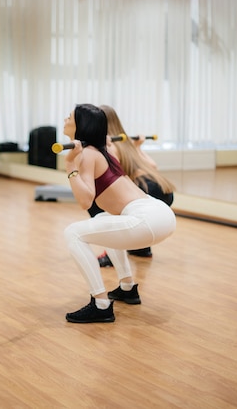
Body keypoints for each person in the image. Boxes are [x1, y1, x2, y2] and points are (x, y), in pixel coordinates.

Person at [62, 104, 176, 323]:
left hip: (147, 218)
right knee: (104, 219)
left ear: (81, 125)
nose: (65, 119)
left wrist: (69, 165)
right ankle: (127, 287)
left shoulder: (87, 154)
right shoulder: (103, 150)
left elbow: (85, 201)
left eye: (70, 117)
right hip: (159, 214)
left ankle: (101, 304)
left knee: (73, 233)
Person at [88, 105, 176, 267]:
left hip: (149, 191)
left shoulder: (109, 145)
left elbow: (112, 178)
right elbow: (152, 165)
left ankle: (111, 254)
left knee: (99, 201)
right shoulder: (125, 142)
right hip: (163, 191)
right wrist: (137, 147)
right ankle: (141, 249)